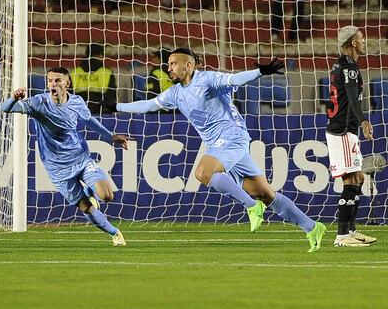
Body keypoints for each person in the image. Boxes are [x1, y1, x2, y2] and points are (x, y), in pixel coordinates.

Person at [104, 47, 326, 253]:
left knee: (203, 173)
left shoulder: (207, 79)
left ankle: (250, 206)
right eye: (168, 64)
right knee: (266, 194)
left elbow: (234, 79)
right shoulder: (175, 93)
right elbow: (148, 105)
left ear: (188, 65)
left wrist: (260, 72)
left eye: (173, 63)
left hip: (232, 137)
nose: (168, 68)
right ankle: (312, 227)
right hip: (221, 145)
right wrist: (116, 107)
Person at [1, 66, 130, 246]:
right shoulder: (38, 103)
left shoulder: (76, 102)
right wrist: (14, 99)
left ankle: (89, 190)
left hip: (80, 158)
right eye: (50, 80)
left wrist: (111, 136)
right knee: (86, 207)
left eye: (57, 80)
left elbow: (89, 120)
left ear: (67, 83)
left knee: (107, 195)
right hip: (57, 168)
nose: (53, 84)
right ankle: (115, 233)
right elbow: (5, 108)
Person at [326, 25, 376, 247]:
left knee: (359, 178)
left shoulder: (344, 64)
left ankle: (351, 230)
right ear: (353, 43)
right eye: (362, 38)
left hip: (346, 129)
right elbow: (353, 99)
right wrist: (363, 120)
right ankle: (342, 236)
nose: (364, 41)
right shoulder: (350, 67)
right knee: (352, 179)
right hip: (343, 129)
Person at [70, 42, 117, 114]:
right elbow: (111, 96)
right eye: (102, 55)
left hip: (79, 113)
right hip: (101, 114)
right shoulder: (107, 73)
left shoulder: (74, 73)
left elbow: (68, 96)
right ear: (99, 55)